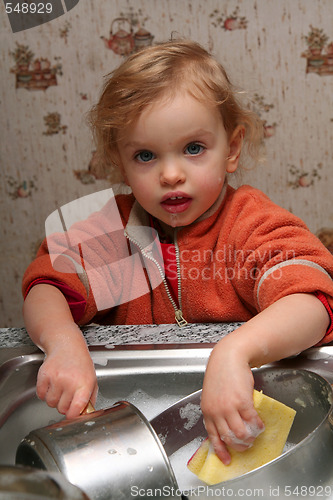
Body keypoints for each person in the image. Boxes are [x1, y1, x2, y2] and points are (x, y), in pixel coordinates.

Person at [22, 39, 333, 465]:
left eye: (193, 149)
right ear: (121, 161)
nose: (171, 174)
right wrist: (62, 342)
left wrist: (235, 352)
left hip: (247, 429)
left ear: (233, 149)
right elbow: (47, 285)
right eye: (145, 155)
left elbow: (314, 302)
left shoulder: (248, 223)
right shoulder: (117, 229)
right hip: (137, 435)